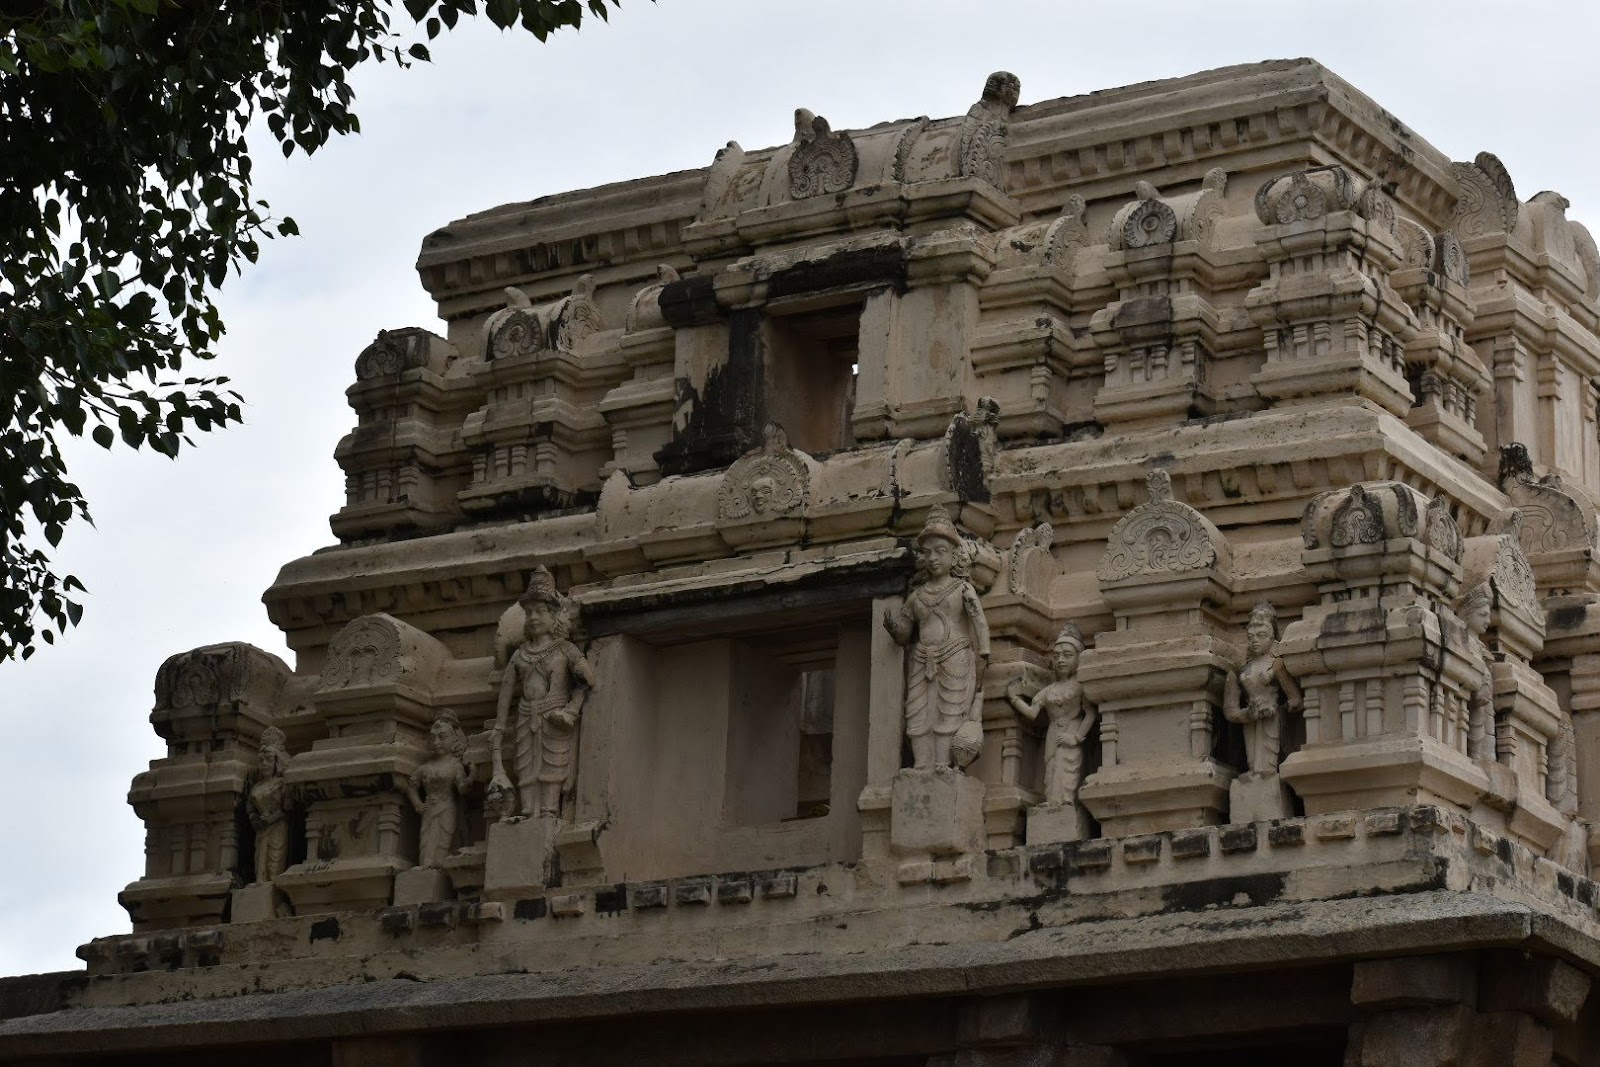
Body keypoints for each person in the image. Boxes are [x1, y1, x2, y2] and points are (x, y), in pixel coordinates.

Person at [883, 505, 990, 770]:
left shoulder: (962, 589)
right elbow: (905, 633)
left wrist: (984, 654)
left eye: (940, 552)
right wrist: (893, 628)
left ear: (955, 557)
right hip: (921, 658)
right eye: (927, 552)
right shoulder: (917, 596)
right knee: (918, 712)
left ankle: (942, 762)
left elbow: (979, 621)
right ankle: (922, 764)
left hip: (955, 655)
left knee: (950, 710)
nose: (933, 558)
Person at [491, 567, 596, 818]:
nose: (533, 618)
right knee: (526, 766)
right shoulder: (520, 654)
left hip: (555, 713)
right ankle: (528, 811)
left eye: (540, 611)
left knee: (552, 764)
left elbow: (588, 679)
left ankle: (548, 810)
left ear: (555, 616)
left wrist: (571, 709)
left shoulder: (565, 649)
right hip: (526, 714)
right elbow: (506, 691)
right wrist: (498, 727)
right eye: (529, 613)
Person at [1007, 623, 1094, 807]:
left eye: (1067, 655)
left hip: (1071, 728)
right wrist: (1014, 698)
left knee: (1067, 766)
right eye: (1057, 656)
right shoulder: (1048, 690)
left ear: (1078, 659)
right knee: (1052, 767)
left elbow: (1090, 714)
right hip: (1053, 732)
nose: (1061, 660)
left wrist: (1076, 737)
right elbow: (1032, 713)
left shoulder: (1079, 686)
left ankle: (1067, 801)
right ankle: (1052, 801)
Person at [1222, 602, 1301, 776]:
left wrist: (1284, 707)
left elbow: (1295, 699)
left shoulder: (1277, 665)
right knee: (1253, 762)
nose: (1255, 640)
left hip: (1272, 716)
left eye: (1261, 635)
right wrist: (1248, 714)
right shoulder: (1241, 670)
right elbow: (1230, 710)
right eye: (1251, 636)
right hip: (1251, 717)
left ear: (1272, 637)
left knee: (1267, 764)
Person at [407, 709, 469, 867]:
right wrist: (418, 806)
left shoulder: (455, 766)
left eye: (442, 737)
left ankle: (439, 868)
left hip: (446, 806)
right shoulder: (425, 767)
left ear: (455, 740)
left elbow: (462, 788)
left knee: (443, 841)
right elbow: (411, 787)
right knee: (426, 840)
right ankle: (426, 867)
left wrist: (473, 775)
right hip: (429, 808)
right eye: (433, 737)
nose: (436, 742)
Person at [247, 726, 292, 884]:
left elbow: (287, 809)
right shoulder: (256, 786)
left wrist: (271, 818)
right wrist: (254, 818)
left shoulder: (281, 783)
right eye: (261, 760)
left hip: (277, 827)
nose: (264, 764)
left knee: (274, 862)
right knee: (260, 858)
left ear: (277, 762)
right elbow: (250, 808)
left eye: (269, 760)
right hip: (261, 829)